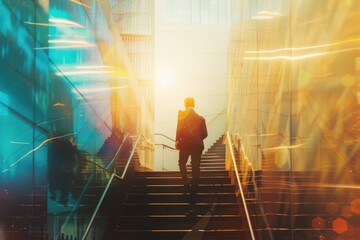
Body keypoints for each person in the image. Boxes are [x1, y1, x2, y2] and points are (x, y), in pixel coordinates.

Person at [175, 97, 208, 202]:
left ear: (185, 104)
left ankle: (185, 181)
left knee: (182, 162)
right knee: (195, 167)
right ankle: (194, 192)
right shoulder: (201, 118)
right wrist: (197, 139)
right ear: (194, 105)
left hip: (185, 143)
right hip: (198, 145)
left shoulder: (182, 114)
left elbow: (179, 128)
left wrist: (177, 140)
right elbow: (205, 134)